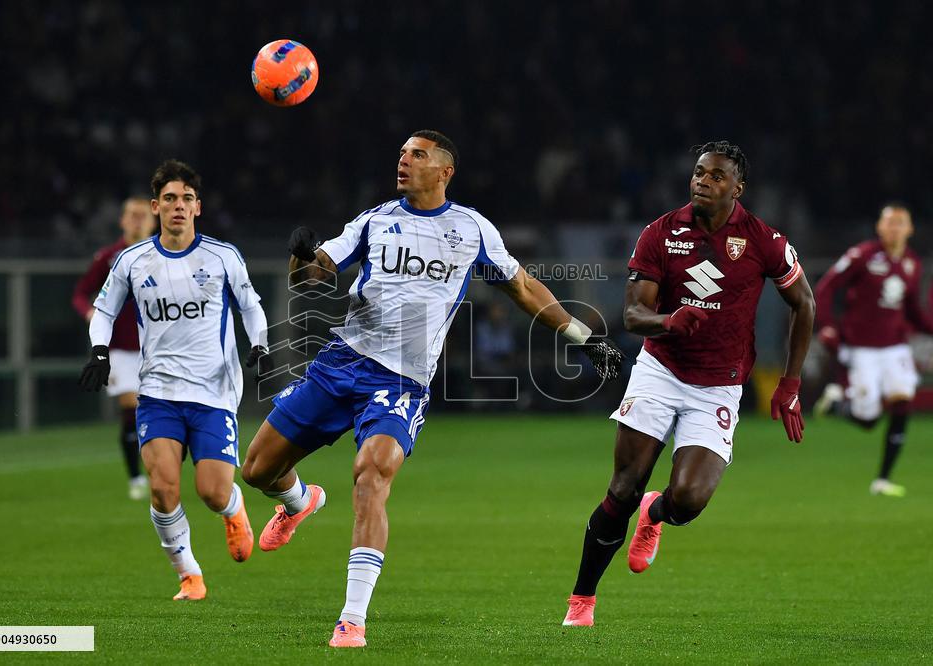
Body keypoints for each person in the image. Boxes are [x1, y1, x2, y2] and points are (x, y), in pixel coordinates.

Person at [239, 130, 623, 648]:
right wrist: (300, 256)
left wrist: (580, 336)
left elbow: (524, 287)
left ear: (444, 171)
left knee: (371, 474)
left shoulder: (470, 229)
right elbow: (313, 275)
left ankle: (352, 619)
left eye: (417, 155)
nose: (403, 160)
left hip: (400, 381)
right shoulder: (374, 221)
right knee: (258, 470)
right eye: (401, 153)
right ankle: (299, 501)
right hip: (340, 363)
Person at [562, 141, 815, 628]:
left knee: (691, 499)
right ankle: (582, 600)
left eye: (716, 176)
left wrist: (790, 384)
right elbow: (633, 314)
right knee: (623, 487)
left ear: (737, 189)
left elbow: (804, 303)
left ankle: (658, 514)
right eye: (699, 172)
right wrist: (668, 323)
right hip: (660, 371)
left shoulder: (764, 240)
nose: (703, 181)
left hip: (719, 385)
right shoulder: (661, 232)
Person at [79, 159, 271, 601]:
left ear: (198, 207)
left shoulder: (223, 256)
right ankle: (189, 574)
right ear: (156, 206)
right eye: (169, 199)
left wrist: (259, 344)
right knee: (164, 489)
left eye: (186, 198)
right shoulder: (132, 260)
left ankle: (233, 508)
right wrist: (99, 351)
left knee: (211, 490)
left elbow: (250, 305)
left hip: (214, 391)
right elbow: (104, 309)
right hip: (159, 392)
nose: (178, 206)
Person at [813, 204, 933, 497]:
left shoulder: (912, 264)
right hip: (861, 348)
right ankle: (840, 403)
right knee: (868, 421)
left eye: (900, 223)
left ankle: (882, 479)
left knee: (903, 402)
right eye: (889, 222)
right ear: (879, 227)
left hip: (895, 348)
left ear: (910, 229)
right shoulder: (863, 255)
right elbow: (827, 287)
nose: (894, 228)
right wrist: (827, 325)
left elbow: (912, 310)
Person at [73, 196, 157, 500]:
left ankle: (159, 470)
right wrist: (89, 313)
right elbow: (81, 293)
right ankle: (136, 476)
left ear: (152, 220)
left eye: (142, 215)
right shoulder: (109, 258)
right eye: (131, 215)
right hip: (120, 349)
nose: (136, 220)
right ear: (122, 221)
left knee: (160, 410)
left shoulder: (163, 255)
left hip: (158, 349)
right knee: (132, 408)